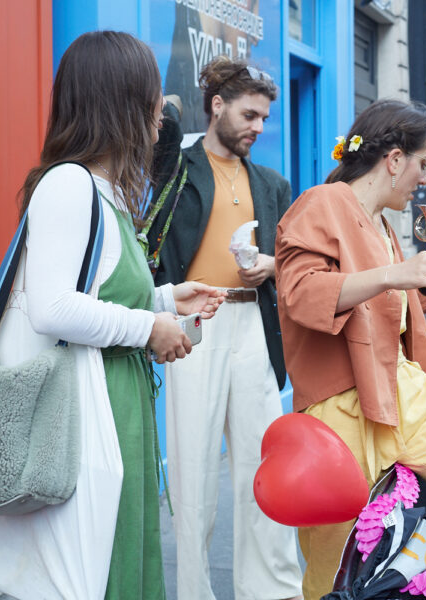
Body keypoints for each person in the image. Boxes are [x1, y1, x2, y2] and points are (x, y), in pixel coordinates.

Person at [0, 31, 224, 598]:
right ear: (120, 103)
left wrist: (166, 299)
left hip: (116, 403)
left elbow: (96, 292)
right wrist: (150, 327)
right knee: (98, 569)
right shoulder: (70, 185)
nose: (159, 116)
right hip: (90, 411)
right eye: (151, 98)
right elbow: (53, 306)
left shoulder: (104, 191)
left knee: (121, 557)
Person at [274, 98, 426, 599]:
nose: (425, 176)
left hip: (402, 396)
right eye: (423, 162)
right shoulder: (321, 203)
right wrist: (399, 272)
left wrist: (424, 277)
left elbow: (381, 311)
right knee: (335, 564)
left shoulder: (384, 226)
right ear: (394, 159)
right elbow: (302, 293)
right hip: (340, 412)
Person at [145, 56, 303, 600]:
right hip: (194, 321)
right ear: (216, 106)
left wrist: (273, 267)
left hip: (254, 325)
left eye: (264, 117)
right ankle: (193, 592)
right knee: (191, 470)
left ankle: (273, 589)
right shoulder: (174, 165)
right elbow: (160, 123)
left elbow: (296, 259)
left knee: (264, 465)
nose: (259, 127)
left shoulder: (272, 182)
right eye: (250, 114)